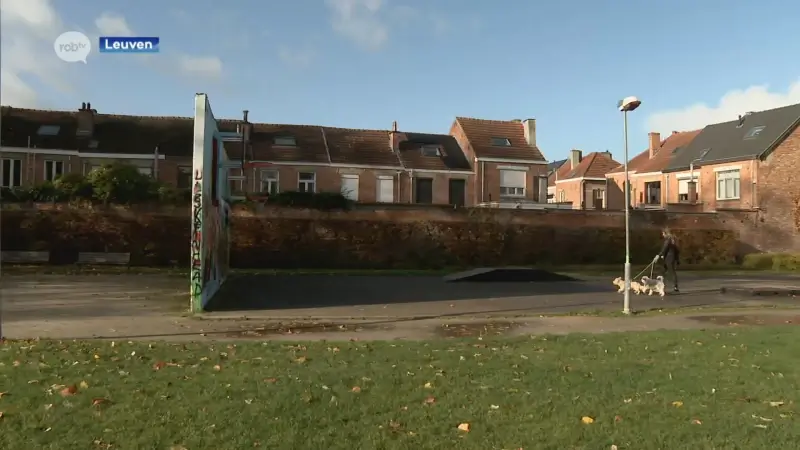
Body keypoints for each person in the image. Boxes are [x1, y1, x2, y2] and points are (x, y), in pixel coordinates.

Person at [656, 228, 680, 293]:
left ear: (666, 233)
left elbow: (665, 248)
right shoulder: (673, 240)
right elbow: (676, 251)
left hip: (668, 258)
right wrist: (677, 259)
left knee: (663, 272)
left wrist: (659, 255)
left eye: (663, 233)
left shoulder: (668, 240)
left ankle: (660, 286)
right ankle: (675, 286)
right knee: (670, 272)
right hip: (671, 258)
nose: (663, 235)